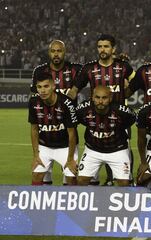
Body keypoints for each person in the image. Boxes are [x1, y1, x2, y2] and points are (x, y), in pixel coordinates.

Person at [68, 34, 135, 185]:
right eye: (100, 46)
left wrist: (127, 92)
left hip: (119, 121)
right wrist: (67, 106)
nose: (102, 49)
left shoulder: (123, 67)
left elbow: (137, 82)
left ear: (113, 49)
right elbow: (73, 91)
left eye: (106, 46)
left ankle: (127, 177)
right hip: (95, 120)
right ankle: (97, 188)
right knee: (88, 175)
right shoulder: (89, 69)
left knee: (123, 151)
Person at [31, 40, 82, 185]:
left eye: (59, 51)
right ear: (49, 53)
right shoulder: (40, 71)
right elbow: (35, 98)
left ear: (65, 52)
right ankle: (43, 207)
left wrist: (118, 60)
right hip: (45, 134)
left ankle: (70, 206)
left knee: (71, 179)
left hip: (67, 134)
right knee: (42, 180)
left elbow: (95, 69)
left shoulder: (76, 69)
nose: (56, 54)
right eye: (53, 51)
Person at [76, 86, 136, 186]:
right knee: (81, 181)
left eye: (104, 98)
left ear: (110, 98)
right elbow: (78, 121)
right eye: (97, 97)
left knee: (124, 183)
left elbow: (132, 119)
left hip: (117, 150)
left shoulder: (121, 111)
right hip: (92, 150)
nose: (100, 101)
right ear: (92, 97)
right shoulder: (83, 109)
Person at [28, 72, 77, 185]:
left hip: (65, 146)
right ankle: (40, 201)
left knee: (71, 177)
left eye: (46, 86)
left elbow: (72, 133)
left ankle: (69, 201)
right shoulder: (33, 102)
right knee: (36, 175)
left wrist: (70, 159)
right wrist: (36, 155)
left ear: (53, 86)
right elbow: (34, 129)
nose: (43, 90)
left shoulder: (66, 103)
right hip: (44, 146)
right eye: (39, 87)